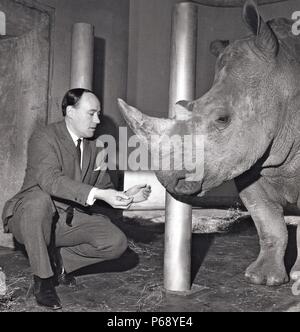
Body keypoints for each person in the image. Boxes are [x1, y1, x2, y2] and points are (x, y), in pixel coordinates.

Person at [1, 88, 151, 310]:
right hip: (30, 217)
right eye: (91, 113)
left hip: (65, 221)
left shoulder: (96, 147)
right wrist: (98, 194)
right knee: (39, 201)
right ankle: (43, 281)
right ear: (70, 112)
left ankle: (58, 263)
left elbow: (102, 188)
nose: (97, 120)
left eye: (98, 114)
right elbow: (50, 180)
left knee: (116, 242)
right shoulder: (44, 137)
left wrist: (127, 196)